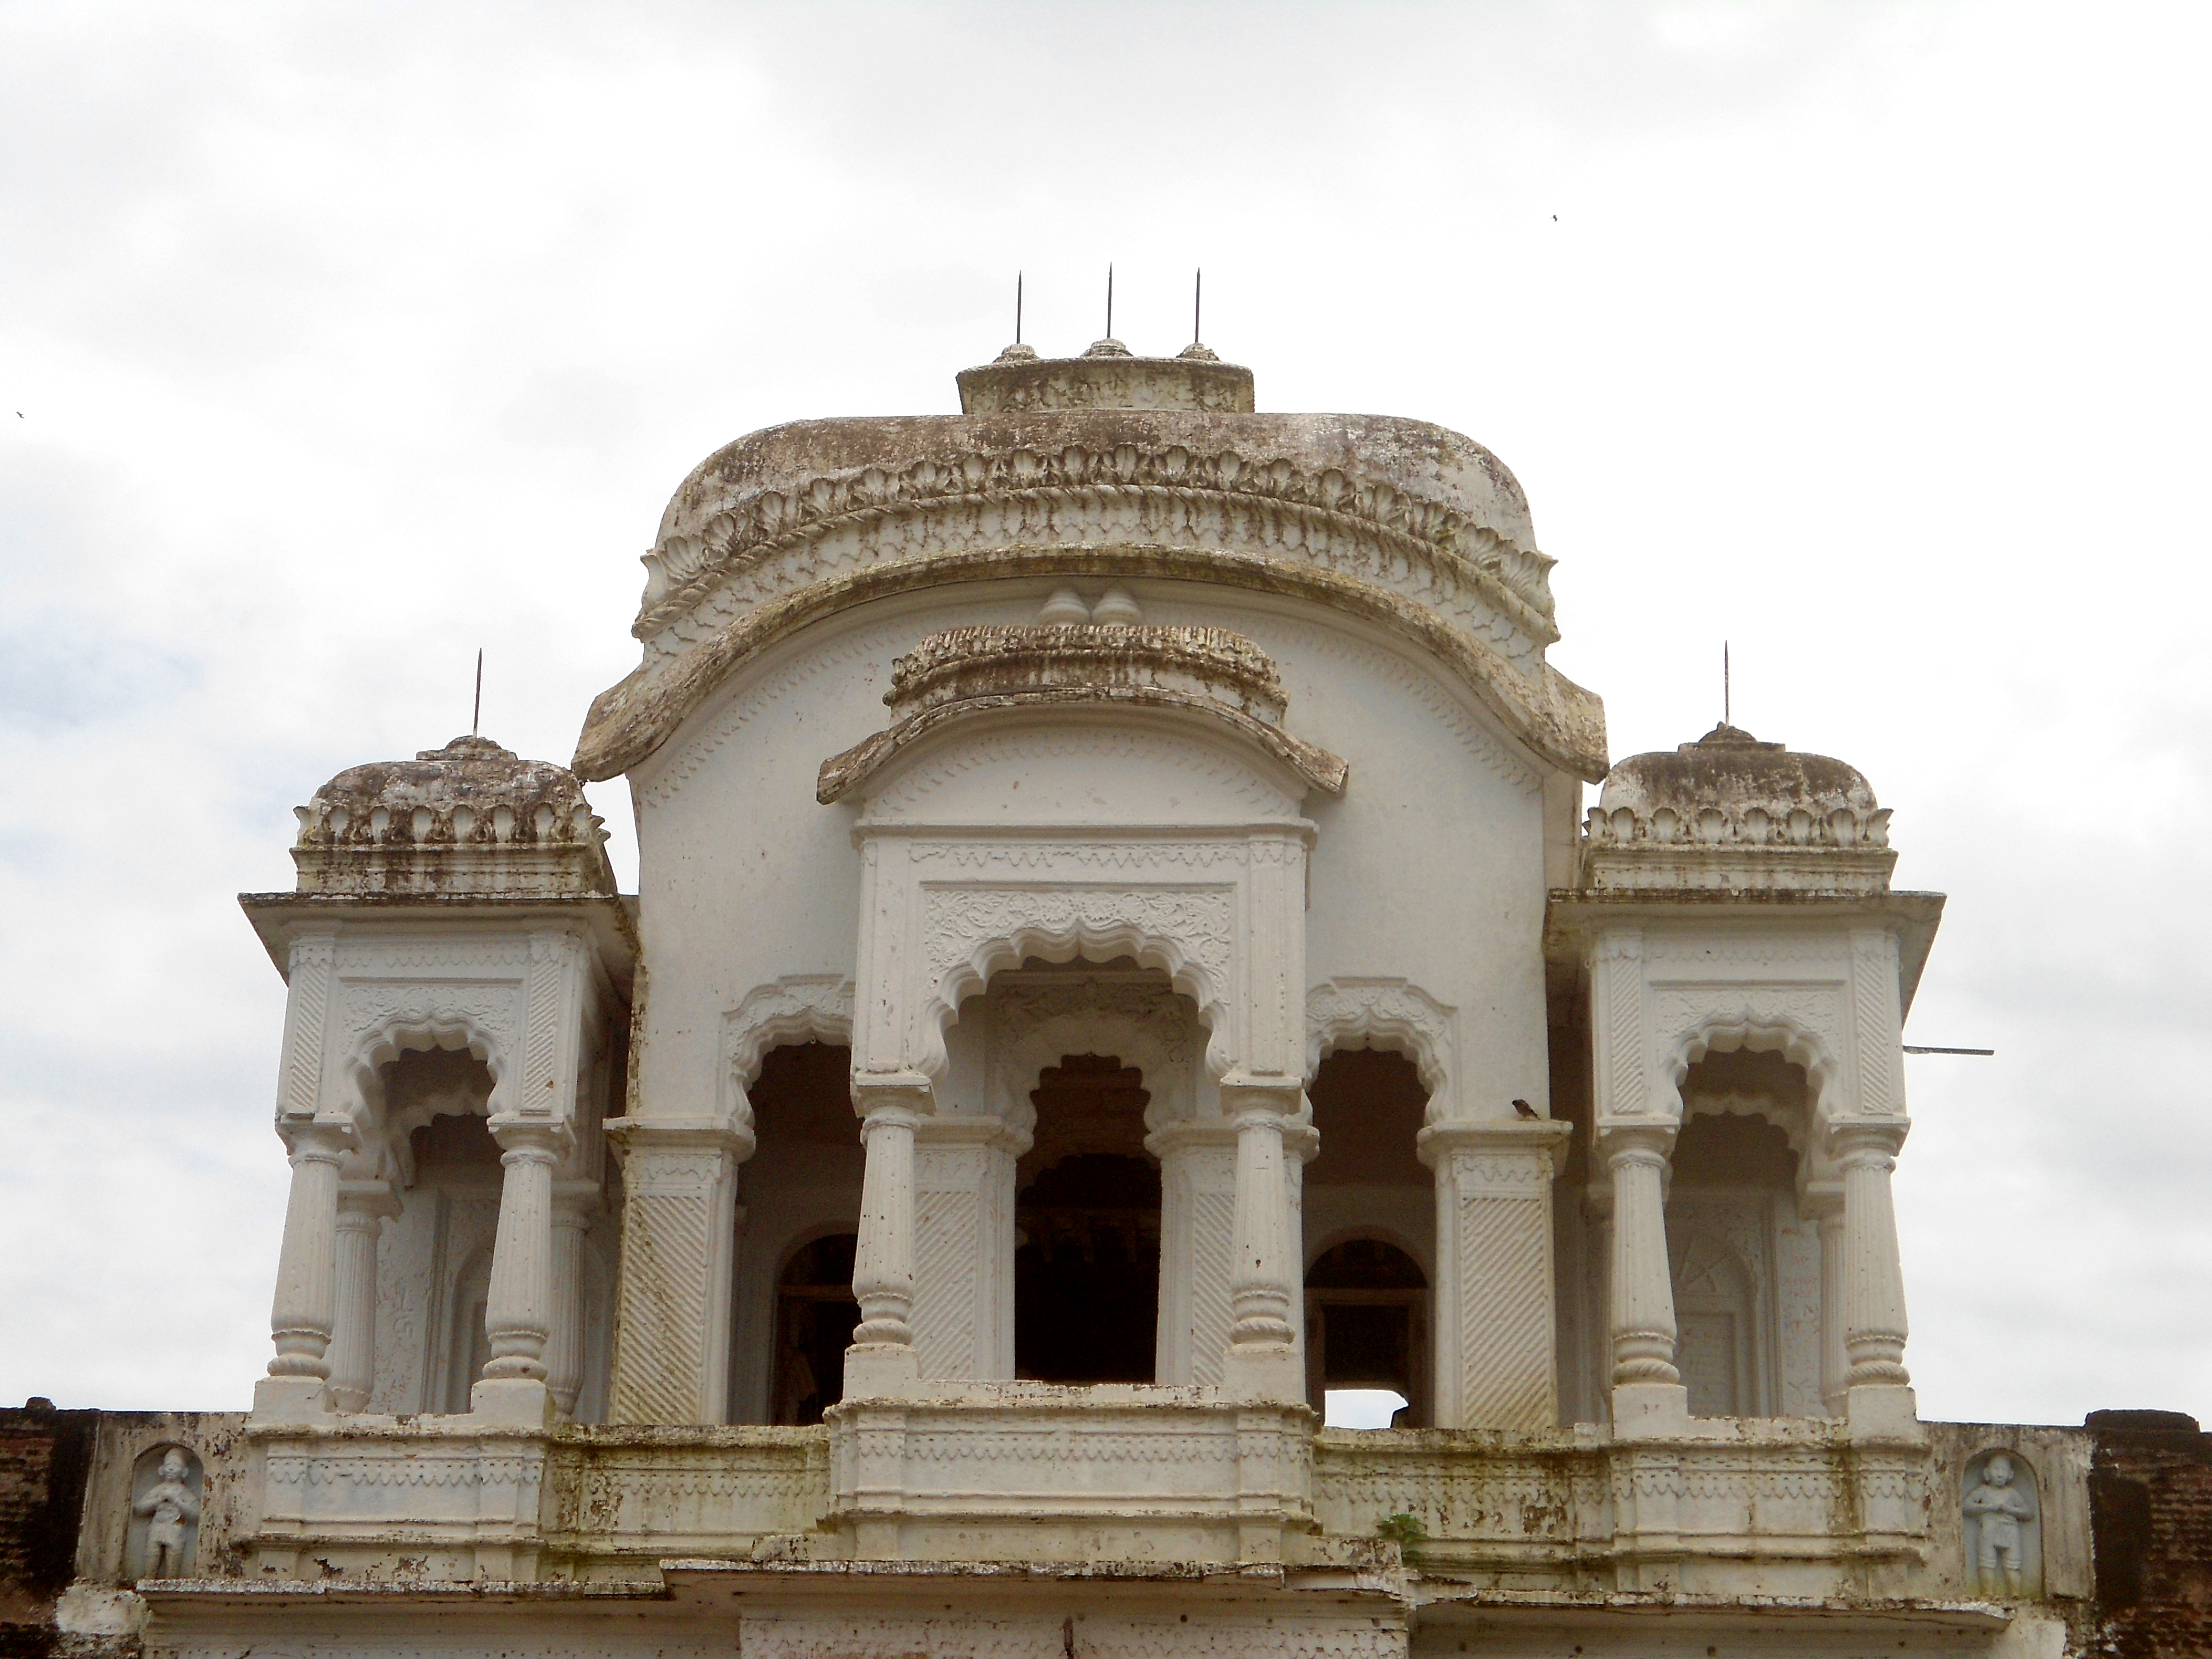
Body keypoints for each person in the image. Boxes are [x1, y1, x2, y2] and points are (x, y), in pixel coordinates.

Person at [1963, 1453, 2036, 1594]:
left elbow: (2028, 1512)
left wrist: (2009, 1509)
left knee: (2012, 1564)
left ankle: (2015, 1594)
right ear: (1987, 1473)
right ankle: (1987, 1593)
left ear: (2010, 1474)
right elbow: (1967, 1506)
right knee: (1986, 1563)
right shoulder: (1983, 1491)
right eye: (1996, 1469)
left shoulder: (2012, 1493)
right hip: (1988, 1529)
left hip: (2010, 1530)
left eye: (2004, 1470)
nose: (2000, 1474)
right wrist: (1988, 1507)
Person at [133, 1449, 200, 1578]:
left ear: (184, 1471)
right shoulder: (159, 1490)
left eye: (176, 1465)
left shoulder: (183, 1491)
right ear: (162, 1469)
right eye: (168, 1465)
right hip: (157, 1527)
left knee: (173, 1557)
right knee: (152, 1555)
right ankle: (149, 1579)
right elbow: (139, 1508)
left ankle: (171, 1582)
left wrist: (177, 1501)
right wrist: (158, 1500)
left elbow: (196, 1513)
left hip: (175, 1529)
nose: (171, 1469)